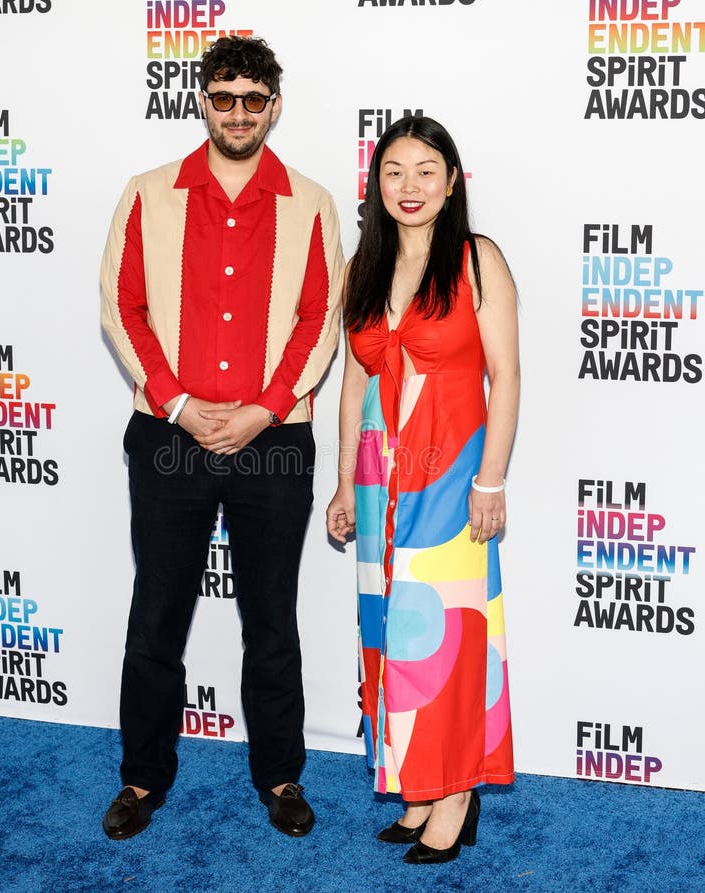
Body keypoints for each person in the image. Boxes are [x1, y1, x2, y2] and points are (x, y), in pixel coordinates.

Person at [100, 35, 344, 841]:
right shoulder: (147, 193)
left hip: (274, 440)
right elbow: (121, 307)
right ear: (201, 100)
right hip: (168, 435)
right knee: (157, 611)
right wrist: (176, 402)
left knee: (271, 615)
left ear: (273, 105)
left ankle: (281, 774)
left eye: (253, 98)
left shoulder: (309, 202)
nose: (237, 112)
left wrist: (265, 407)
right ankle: (142, 777)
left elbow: (322, 317)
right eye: (223, 96)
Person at [326, 116, 519, 865]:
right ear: (375, 183)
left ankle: (456, 790)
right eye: (395, 171)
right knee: (390, 632)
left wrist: (490, 477)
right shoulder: (363, 270)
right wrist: (344, 481)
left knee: (446, 635)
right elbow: (354, 382)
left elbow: (505, 375)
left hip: (450, 471)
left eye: (426, 170)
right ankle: (416, 782)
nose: (410, 186)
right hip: (380, 478)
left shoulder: (476, 260)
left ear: (452, 181)